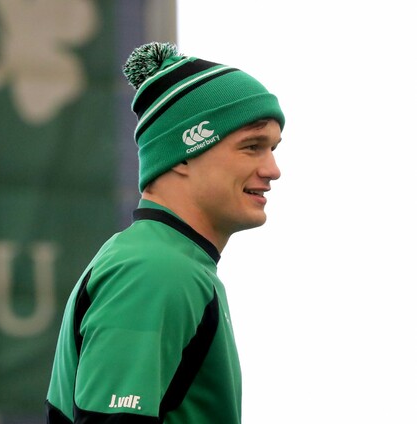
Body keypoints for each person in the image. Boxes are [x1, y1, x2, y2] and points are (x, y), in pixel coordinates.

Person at [45, 42, 285, 424]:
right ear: (184, 151)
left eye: (273, 148)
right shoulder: (156, 269)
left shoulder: (167, 261)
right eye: (252, 147)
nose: (273, 170)